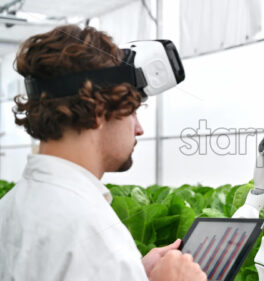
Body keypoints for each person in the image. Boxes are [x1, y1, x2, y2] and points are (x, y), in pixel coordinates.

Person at [0, 25, 206, 281]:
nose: (139, 129)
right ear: (97, 111)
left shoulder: (10, 206)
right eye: (132, 110)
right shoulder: (90, 231)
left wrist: (135, 274)